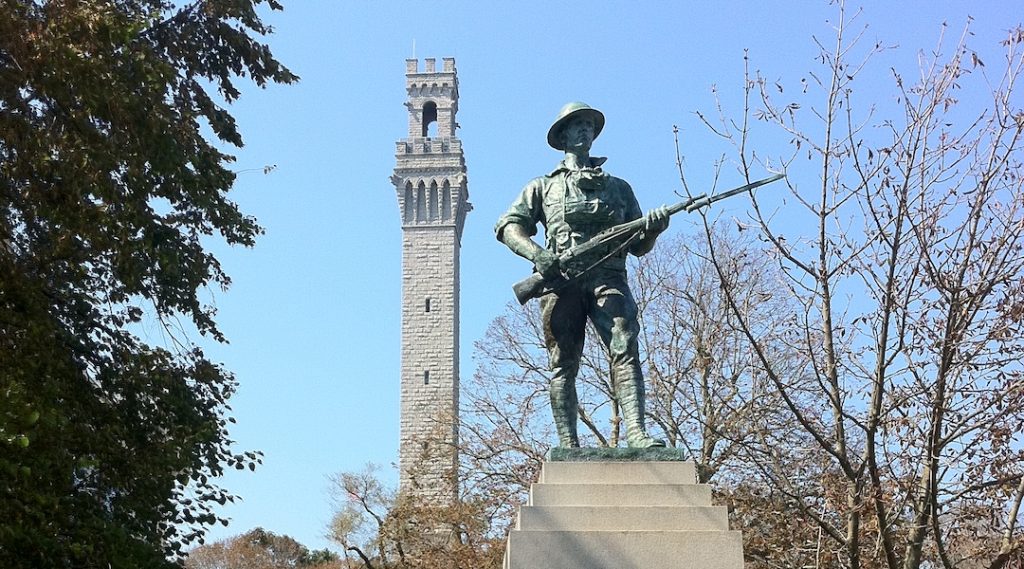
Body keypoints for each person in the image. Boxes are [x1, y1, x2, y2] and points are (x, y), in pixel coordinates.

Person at [495, 102, 670, 448]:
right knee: (563, 362)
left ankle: (636, 432)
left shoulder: (619, 188)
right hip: (562, 282)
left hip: (609, 278)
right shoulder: (543, 187)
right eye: (577, 125)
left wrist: (652, 230)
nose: (585, 130)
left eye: (590, 125)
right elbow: (508, 226)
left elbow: (638, 246)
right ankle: (568, 443)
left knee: (625, 345)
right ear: (562, 137)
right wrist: (537, 254)